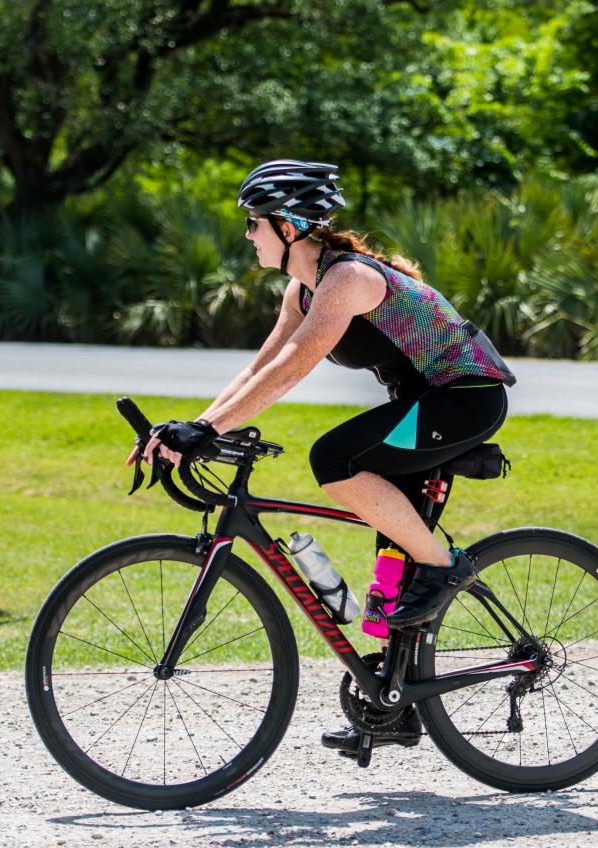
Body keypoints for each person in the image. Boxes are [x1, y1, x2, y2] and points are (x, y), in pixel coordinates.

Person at [132, 159, 516, 754]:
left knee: (335, 458)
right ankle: (396, 705)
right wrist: (195, 426)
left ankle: (446, 567)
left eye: (254, 223)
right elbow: (260, 366)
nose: (247, 235)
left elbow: (295, 366)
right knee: (393, 559)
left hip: (463, 398)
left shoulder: (349, 279)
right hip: (424, 402)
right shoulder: (303, 286)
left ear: (288, 226)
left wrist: (205, 429)